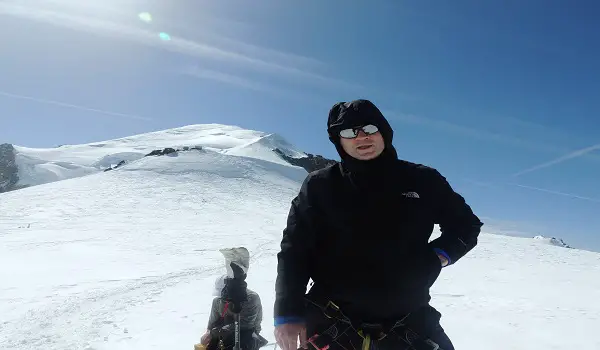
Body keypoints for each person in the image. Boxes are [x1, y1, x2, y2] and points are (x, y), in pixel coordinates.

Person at [273, 99, 483, 350]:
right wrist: (288, 313)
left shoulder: (423, 180)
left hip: (410, 322)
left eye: (369, 128)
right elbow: (295, 250)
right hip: (332, 324)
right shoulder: (320, 186)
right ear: (338, 140)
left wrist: (438, 256)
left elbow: (466, 225)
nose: (361, 137)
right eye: (349, 132)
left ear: (384, 131)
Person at [199, 247, 268, 350]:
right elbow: (212, 323)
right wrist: (208, 333)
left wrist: (220, 330)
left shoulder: (251, 298)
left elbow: (246, 325)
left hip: (246, 338)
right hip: (223, 337)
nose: (222, 297)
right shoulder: (217, 301)